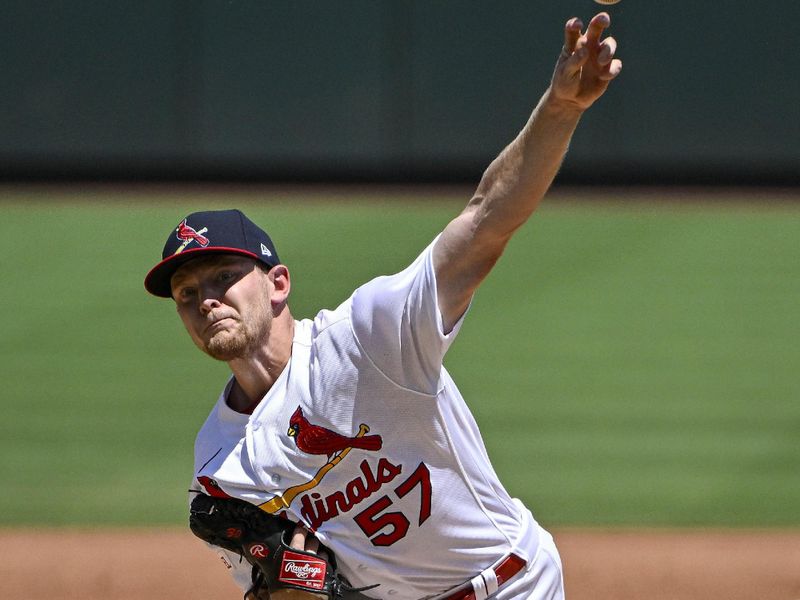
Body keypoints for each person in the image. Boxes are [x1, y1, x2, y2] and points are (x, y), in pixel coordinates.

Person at [144, 12, 621, 600]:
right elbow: (276, 591)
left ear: (278, 285)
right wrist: (289, 583)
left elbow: (484, 222)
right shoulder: (219, 466)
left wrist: (561, 108)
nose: (205, 299)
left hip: (513, 587)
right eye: (186, 293)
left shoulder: (368, 336)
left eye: (222, 276)